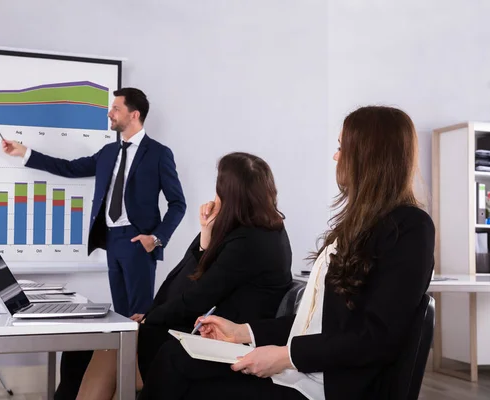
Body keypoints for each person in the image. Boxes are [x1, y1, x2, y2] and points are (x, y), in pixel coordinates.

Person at [138, 106, 436, 400]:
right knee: (176, 355)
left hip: (328, 388)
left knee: (177, 369)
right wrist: (242, 332)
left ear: (368, 156)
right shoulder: (357, 227)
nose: (336, 156)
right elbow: (315, 323)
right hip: (302, 373)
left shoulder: (411, 228)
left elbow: (376, 338)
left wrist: (285, 357)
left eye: (342, 148)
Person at [1, 87, 186, 399]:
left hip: (138, 243)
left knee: (139, 321)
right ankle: (120, 383)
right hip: (111, 242)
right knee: (121, 320)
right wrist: (26, 153)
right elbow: (71, 168)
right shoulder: (109, 152)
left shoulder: (158, 153)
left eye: (115, 108)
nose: (110, 114)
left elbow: (177, 203)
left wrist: (156, 238)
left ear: (134, 114)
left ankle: (141, 386)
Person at [75, 152, 293, 400]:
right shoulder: (258, 229)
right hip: (212, 332)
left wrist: (149, 319)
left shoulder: (249, 241)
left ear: (229, 194)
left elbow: (194, 299)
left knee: (113, 347)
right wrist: (205, 238)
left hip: (226, 343)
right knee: (108, 347)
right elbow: (182, 284)